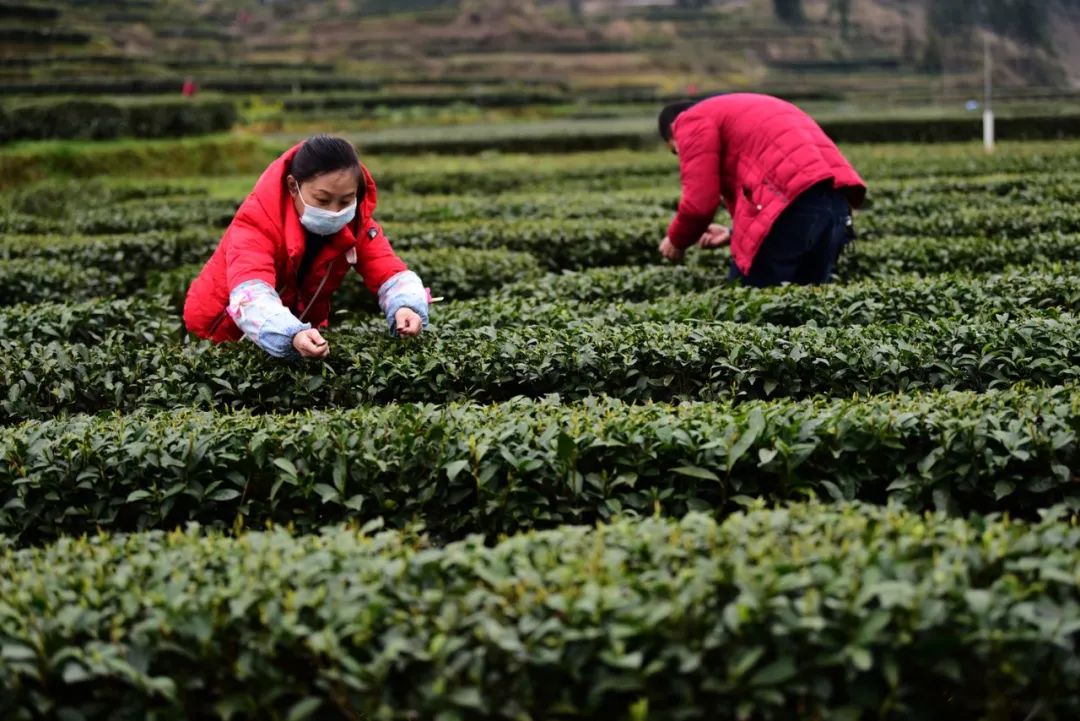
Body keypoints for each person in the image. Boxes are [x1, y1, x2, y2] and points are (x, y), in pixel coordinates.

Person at [184, 135, 429, 360]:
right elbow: (250, 294)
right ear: (293, 187)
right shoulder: (256, 223)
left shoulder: (355, 225)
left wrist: (406, 306)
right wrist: (289, 333)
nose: (335, 211)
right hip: (220, 334)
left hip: (300, 330)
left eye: (346, 200)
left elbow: (388, 269)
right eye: (322, 200)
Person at [657, 94, 867, 287]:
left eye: (675, 150)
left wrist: (676, 240)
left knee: (748, 309)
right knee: (807, 311)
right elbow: (801, 191)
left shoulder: (689, 121)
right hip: (836, 206)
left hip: (791, 206)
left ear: (673, 135)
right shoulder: (740, 109)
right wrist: (733, 233)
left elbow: (699, 206)